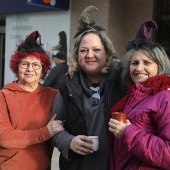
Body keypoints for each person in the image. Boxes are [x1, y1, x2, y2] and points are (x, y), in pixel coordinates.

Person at [51, 6, 126, 170]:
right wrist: (69, 141)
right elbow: (53, 129)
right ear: (77, 55)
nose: (89, 55)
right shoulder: (67, 87)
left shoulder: (122, 84)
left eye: (96, 50)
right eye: (83, 50)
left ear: (107, 53)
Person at [108, 20, 170, 169]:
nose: (139, 68)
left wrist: (128, 132)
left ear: (159, 66)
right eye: (134, 63)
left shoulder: (165, 97)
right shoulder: (132, 96)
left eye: (147, 63)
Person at [0, 31, 64, 170]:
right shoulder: (3, 96)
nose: (30, 69)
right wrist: (45, 132)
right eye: (24, 64)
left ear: (43, 70)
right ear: (16, 67)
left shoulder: (54, 96)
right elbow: (4, 137)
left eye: (36, 65)